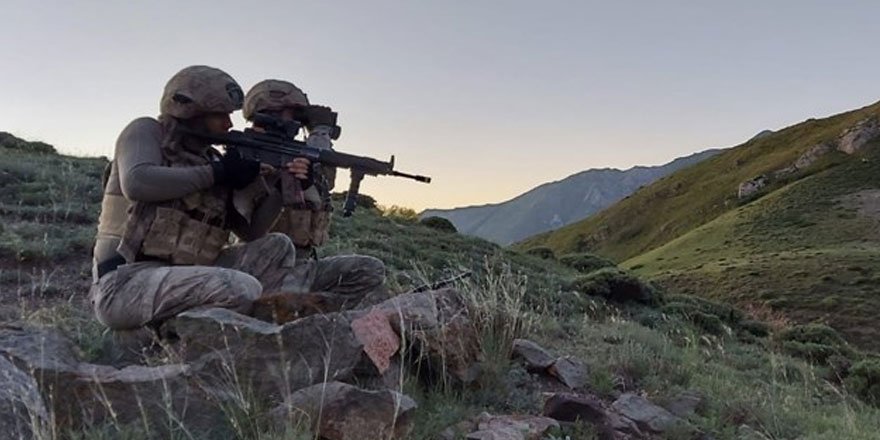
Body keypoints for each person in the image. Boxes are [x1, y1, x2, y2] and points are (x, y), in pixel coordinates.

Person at [89, 65, 304, 331]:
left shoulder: (210, 159)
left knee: (278, 246)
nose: (228, 124)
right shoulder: (146, 132)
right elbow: (138, 182)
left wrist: (284, 187)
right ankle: (179, 338)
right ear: (189, 110)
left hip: (186, 274)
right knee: (240, 287)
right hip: (124, 284)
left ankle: (266, 324)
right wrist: (219, 173)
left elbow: (251, 232)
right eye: (220, 115)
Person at [241, 79, 387, 308]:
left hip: (302, 263)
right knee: (288, 301)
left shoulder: (294, 152)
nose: (298, 123)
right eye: (292, 114)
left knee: (370, 270)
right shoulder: (244, 151)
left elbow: (324, 183)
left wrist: (319, 134)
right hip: (261, 267)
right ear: (268, 112)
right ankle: (289, 313)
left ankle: (312, 313)